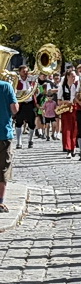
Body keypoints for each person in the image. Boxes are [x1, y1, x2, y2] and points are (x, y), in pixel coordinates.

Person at [0, 72, 14, 214]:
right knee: (3, 168)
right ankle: (0, 202)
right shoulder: (6, 86)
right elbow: (14, 109)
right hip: (4, 133)